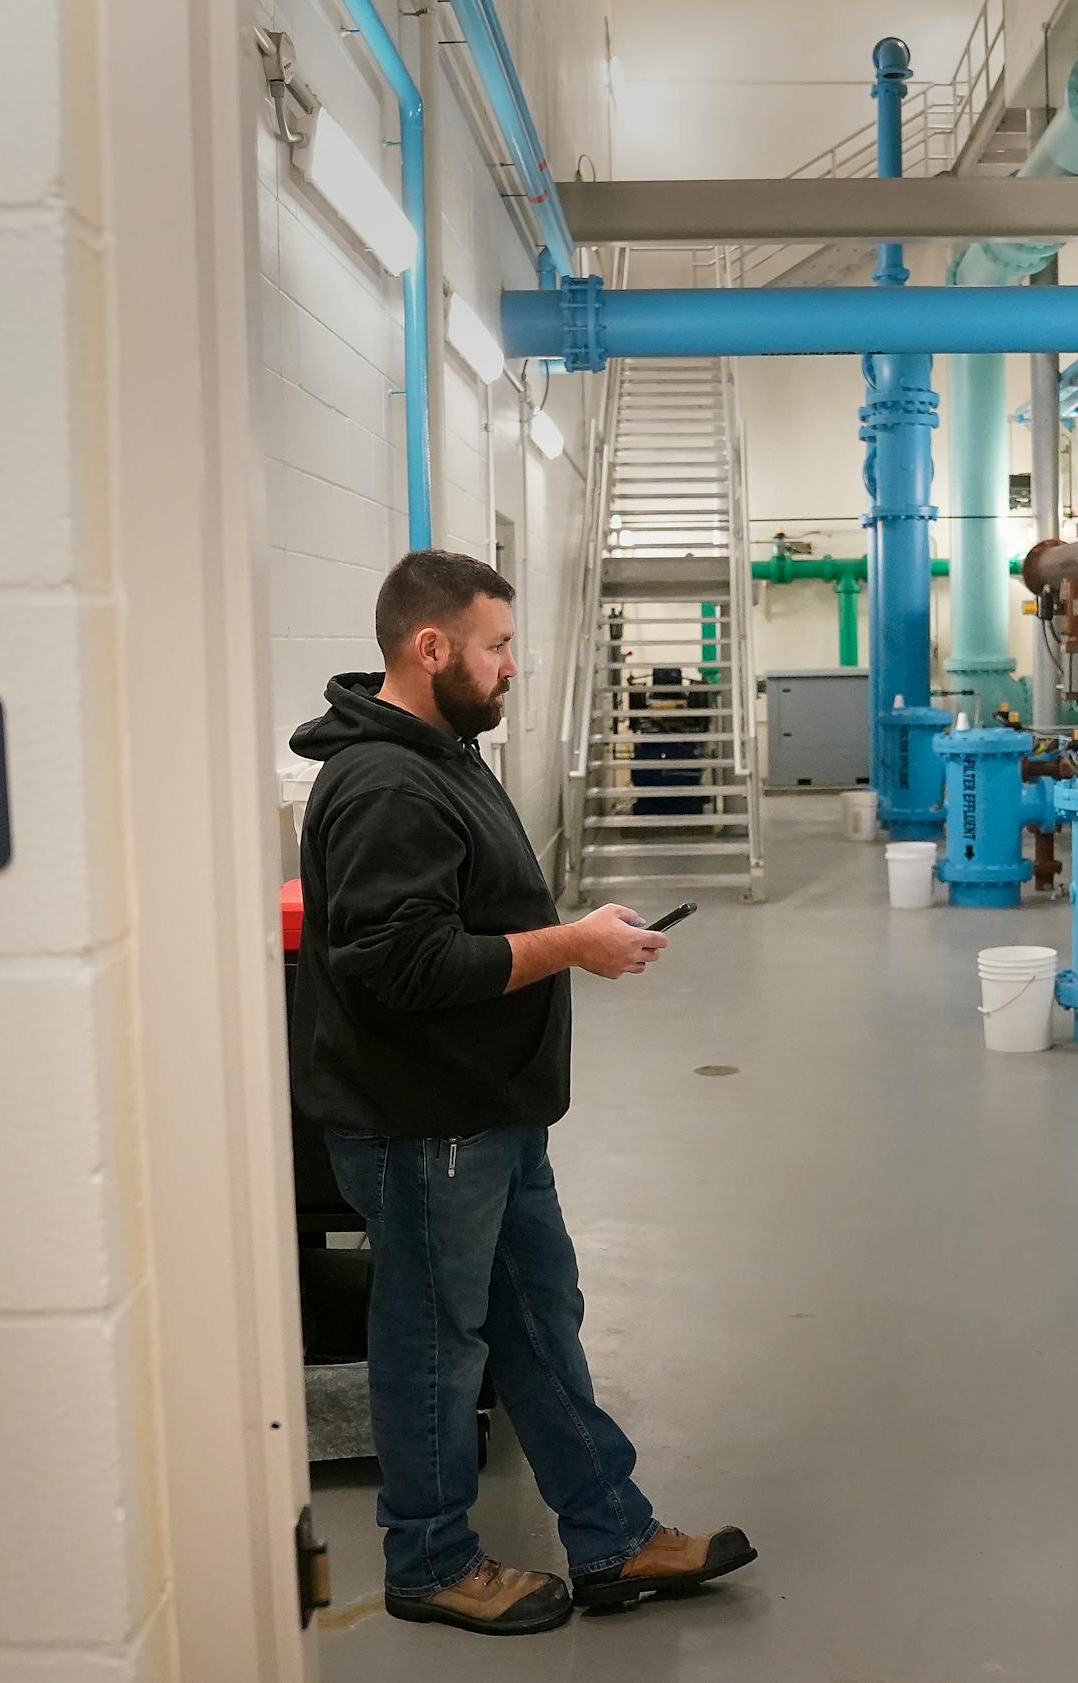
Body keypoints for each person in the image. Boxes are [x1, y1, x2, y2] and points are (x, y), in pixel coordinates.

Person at [286, 549, 755, 1636]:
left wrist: (571, 937)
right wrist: (570, 949)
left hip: (486, 1110)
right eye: (497, 647)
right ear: (430, 646)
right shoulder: (385, 783)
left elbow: (465, 921)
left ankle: (612, 1534)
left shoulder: (441, 753)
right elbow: (400, 967)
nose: (511, 668)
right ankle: (431, 1559)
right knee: (433, 1346)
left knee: (539, 1322)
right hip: (426, 1122)